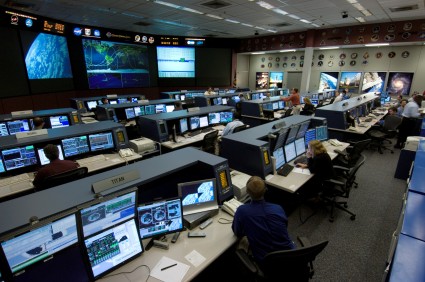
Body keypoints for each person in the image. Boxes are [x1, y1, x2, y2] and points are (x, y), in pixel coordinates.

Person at [232, 176, 295, 266]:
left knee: (241, 242)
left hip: (268, 262)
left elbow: (237, 232)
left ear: (247, 192)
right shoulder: (278, 208)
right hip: (292, 256)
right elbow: (285, 226)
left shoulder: (242, 211)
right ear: (265, 190)